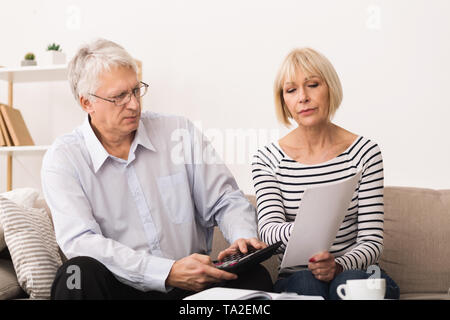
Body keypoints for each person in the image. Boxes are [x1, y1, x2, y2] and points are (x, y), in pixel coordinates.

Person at [42, 38, 273, 300]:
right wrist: (166, 271)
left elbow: (226, 199)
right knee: (75, 275)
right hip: (122, 289)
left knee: (256, 277)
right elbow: (81, 241)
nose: (133, 104)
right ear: (87, 103)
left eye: (136, 90)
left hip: (190, 292)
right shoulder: (63, 158)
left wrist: (241, 240)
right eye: (119, 96)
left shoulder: (178, 132)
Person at [251, 47, 400, 300]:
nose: (303, 97)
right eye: (291, 90)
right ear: (284, 101)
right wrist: (310, 226)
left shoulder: (365, 152)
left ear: (329, 87)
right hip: (297, 275)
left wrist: (339, 265)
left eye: (312, 85)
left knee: (349, 283)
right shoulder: (266, 160)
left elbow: (372, 240)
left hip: (357, 270)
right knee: (307, 285)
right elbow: (268, 229)